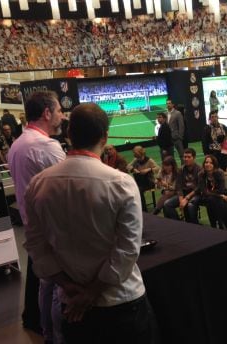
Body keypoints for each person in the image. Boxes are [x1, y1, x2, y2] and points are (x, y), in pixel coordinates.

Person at [23, 103, 158, 342]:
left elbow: (36, 247)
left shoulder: (38, 184)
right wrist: (91, 292)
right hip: (120, 303)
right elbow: (127, 251)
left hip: (73, 304)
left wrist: (69, 287)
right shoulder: (121, 183)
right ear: (105, 137)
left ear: (69, 135)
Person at [8, 91, 66, 343]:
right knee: (58, 291)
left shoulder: (17, 144)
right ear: (46, 113)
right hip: (53, 229)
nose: (62, 116)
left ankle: (48, 335)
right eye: (59, 110)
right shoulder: (46, 146)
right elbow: (70, 186)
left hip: (33, 227)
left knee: (45, 287)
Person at [163, 148, 202, 224]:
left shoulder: (199, 169)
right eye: (185, 157)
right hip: (184, 193)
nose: (186, 159)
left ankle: (195, 225)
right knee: (167, 204)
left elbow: (199, 187)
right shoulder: (181, 170)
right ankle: (180, 224)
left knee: (190, 205)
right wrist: (181, 200)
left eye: (189, 157)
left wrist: (186, 198)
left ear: (194, 158)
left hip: (196, 194)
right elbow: (179, 186)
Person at [197, 154, 227, 229]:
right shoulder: (201, 174)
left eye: (211, 163)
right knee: (211, 200)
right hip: (215, 197)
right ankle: (220, 223)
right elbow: (204, 191)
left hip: (226, 194)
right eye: (206, 162)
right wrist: (221, 196)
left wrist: (220, 195)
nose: (208, 164)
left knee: (212, 201)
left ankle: (215, 224)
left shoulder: (219, 172)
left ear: (214, 165)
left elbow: (221, 190)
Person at [127, 146, 160, 212]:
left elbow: (158, 168)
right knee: (132, 189)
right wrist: (134, 169)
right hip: (140, 182)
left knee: (138, 190)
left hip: (149, 181)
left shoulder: (149, 160)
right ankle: (139, 208)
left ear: (140, 153)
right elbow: (128, 166)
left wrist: (149, 169)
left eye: (136, 155)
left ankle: (144, 210)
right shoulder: (135, 160)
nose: (136, 157)